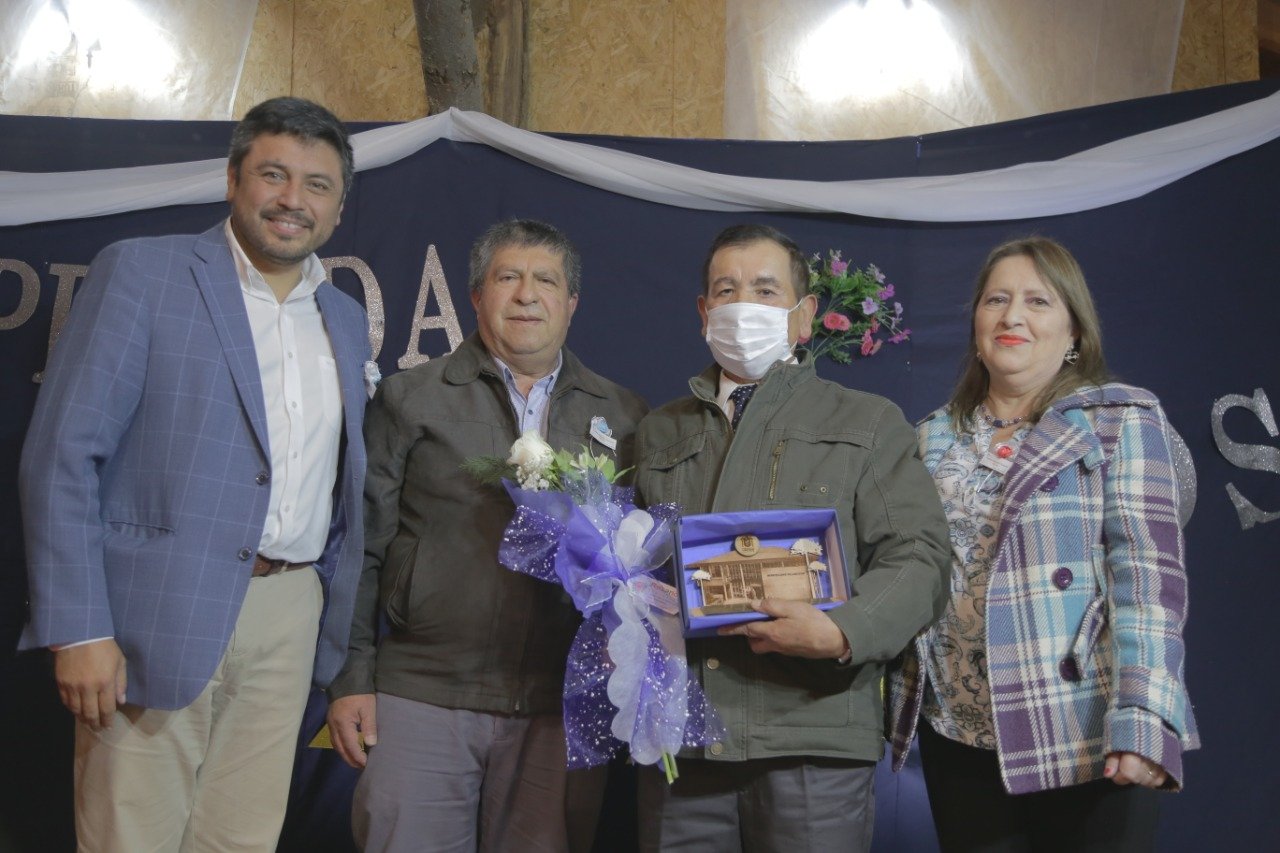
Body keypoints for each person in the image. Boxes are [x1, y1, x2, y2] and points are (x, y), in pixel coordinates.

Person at [18, 97, 370, 851]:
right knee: (131, 834)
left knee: (240, 839)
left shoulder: (341, 316)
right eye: (273, 174)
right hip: (155, 610)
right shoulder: (145, 272)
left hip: (290, 611)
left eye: (316, 185)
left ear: (339, 209)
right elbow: (62, 454)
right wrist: (78, 624)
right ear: (233, 179)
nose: (291, 200)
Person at [326, 219, 648, 852]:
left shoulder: (624, 414)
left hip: (559, 703)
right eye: (508, 277)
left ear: (571, 304)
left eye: (546, 281)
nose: (526, 295)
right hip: (424, 690)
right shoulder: (410, 399)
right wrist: (351, 679)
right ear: (477, 296)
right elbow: (358, 547)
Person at [631, 223, 950, 853]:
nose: (742, 305)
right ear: (703, 313)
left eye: (765, 290)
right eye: (726, 289)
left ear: (804, 317)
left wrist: (843, 631)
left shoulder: (866, 422)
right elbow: (633, 570)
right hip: (682, 742)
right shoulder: (656, 434)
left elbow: (920, 555)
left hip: (814, 735)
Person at [887, 236, 1200, 851]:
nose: (1012, 317)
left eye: (1038, 301)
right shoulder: (928, 437)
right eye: (996, 300)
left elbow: (1150, 583)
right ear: (976, 321)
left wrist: (1144, 720)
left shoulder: (1122, 421)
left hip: (1082, 728)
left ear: (1074, 331)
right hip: (958, 733)